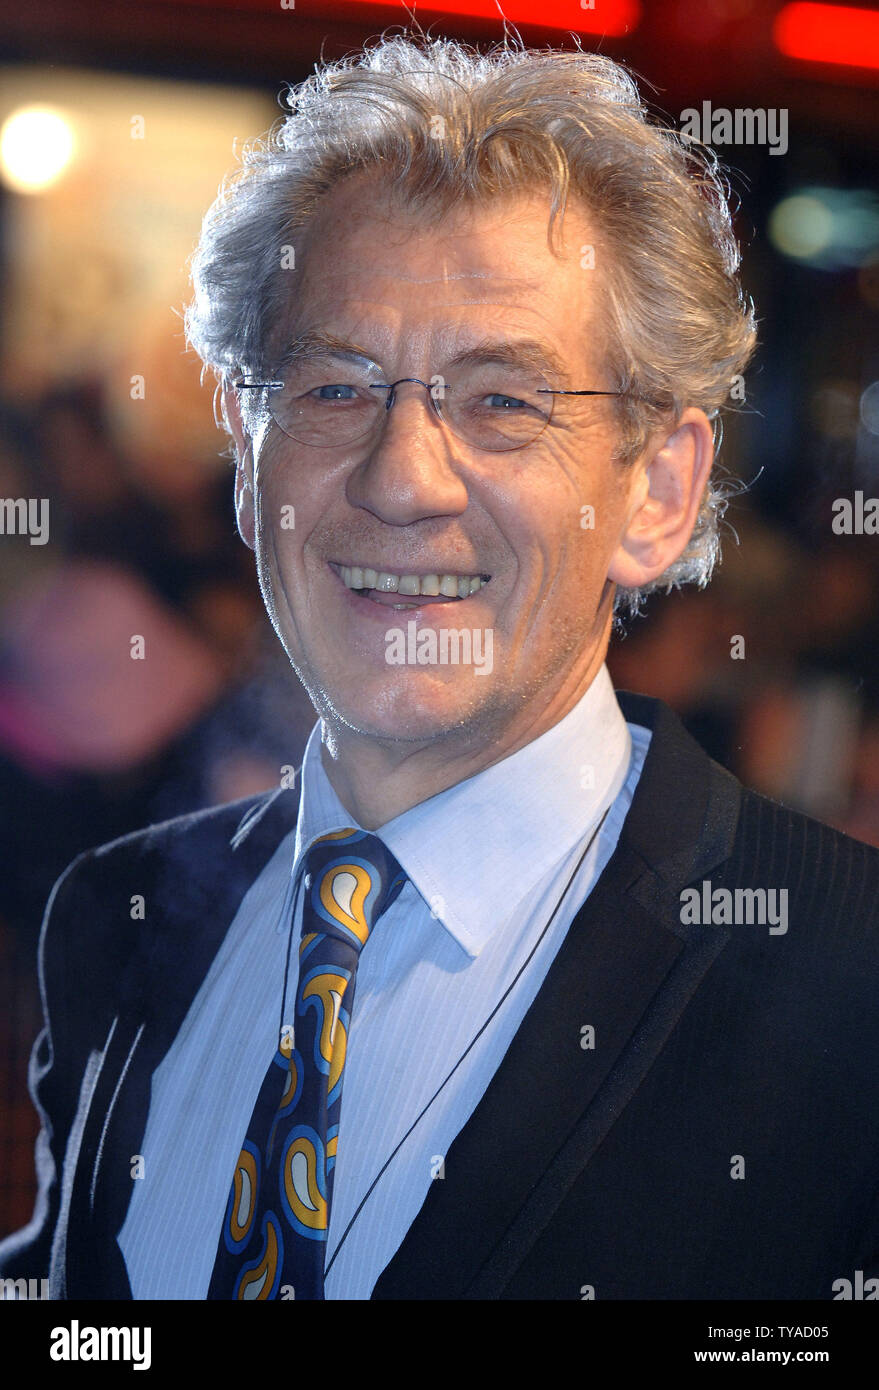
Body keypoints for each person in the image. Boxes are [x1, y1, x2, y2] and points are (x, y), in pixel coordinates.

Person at [2, 35, 878, 1302]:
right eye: (336, 387)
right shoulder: (117, 920)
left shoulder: (844, 985)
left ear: (659, 493)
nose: (402, 477)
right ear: (248, 458)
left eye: (504, 401)